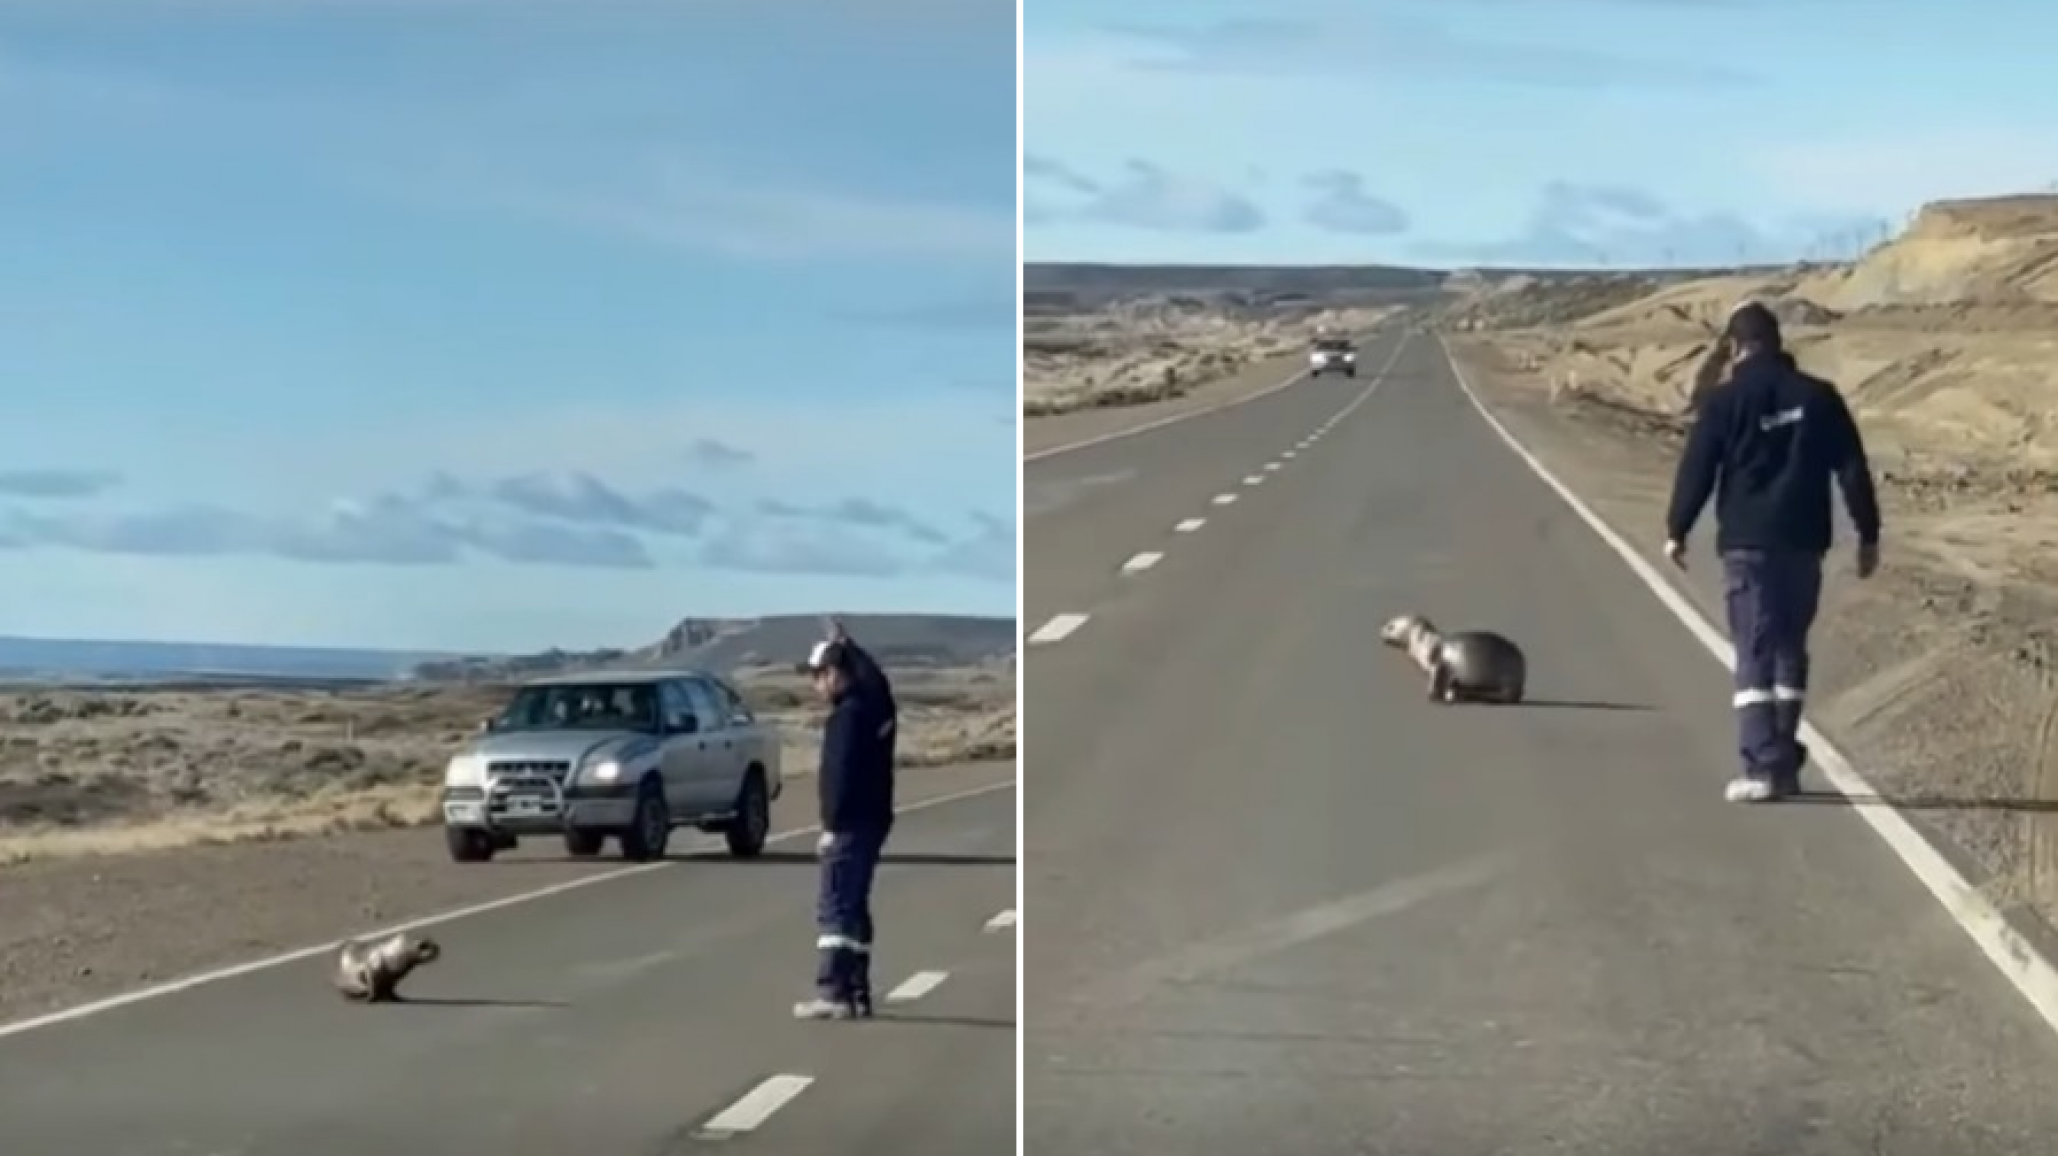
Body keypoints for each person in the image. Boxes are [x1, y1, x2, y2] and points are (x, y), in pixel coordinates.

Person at [1663, 301, 1882, 804]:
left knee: (1754, 650)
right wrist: (1868, 535)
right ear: (1779, 343)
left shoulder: (1724, 402)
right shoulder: (1819, 398)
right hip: (1804, 543)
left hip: (1748, 543)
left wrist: (1678, 527)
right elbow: (1852, 468)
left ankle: (1762, 765)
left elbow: (1697, 468)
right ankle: (1781, 757)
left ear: (1737, 347)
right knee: (1787, 647)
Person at [792, 619, 899, 1019]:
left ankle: (833, 991)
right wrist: (850, 645)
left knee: (835, 907)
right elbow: (881, 684)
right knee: (854, 905)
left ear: (837, 675)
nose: (816, 685)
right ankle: (856, 990)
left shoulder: (847, 719)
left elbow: (838, 777)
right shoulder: (874, 708)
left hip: (850, 822)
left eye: (820, 676)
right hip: (874, 820)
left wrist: (831, 827)